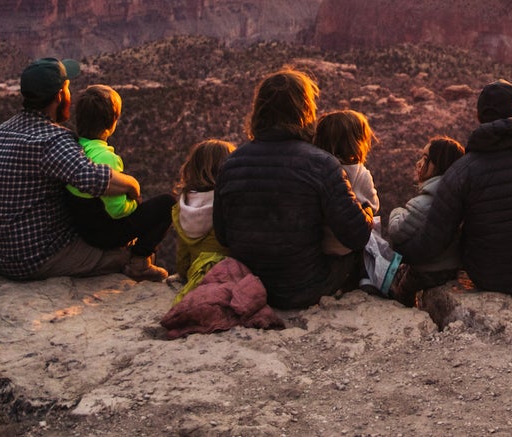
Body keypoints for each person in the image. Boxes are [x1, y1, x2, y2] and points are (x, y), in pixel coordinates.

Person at [391, 79, 512, 296]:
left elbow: (433, 241)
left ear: (479, 118)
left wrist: (398, 254)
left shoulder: (460, 172)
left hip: (487, 276)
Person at [212, 68, 374, 310]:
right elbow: (357, 235)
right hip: (303, 289)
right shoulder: (322, 164)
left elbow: (223, 235)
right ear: (305, 110)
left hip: (248, 284)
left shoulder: (231, 164)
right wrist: (367, 210)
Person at [0, 57, 146, 281]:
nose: (70, 94)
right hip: (31, 257)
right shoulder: (52, 140)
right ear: (59, 96)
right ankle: (137, 265)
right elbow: (93, 179)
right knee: (126, 253)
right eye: (68, 89)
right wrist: (132, 184)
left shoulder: (0, 132)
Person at [59, 84, 171, 281]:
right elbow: (116, 210)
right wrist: (134, 204)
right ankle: (140, 262)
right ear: (112, 123)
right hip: (105, 233)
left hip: (83, 230)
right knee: (167, 204)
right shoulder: (106, 158)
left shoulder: (72, 151)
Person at [379, 136, 468, 303]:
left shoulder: (426, 202)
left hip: (431, 268)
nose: (418, 163)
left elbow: (397, 230)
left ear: (440, 165)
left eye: (426, 158)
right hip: (450, 264)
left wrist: (397, 211)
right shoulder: (453, 196)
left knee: (401, 290)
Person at [315, 109, 379, 293]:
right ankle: (366, 278)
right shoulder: (361, 174)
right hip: (347, 251)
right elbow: (373, 206)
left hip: (319, 248)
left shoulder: (316, 170)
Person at [171, 138, 234, 285]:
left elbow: (182, 253)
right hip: (227, 271)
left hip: (197, 272)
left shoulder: (183, 203)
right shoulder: (226, 202)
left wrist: (184, 274)